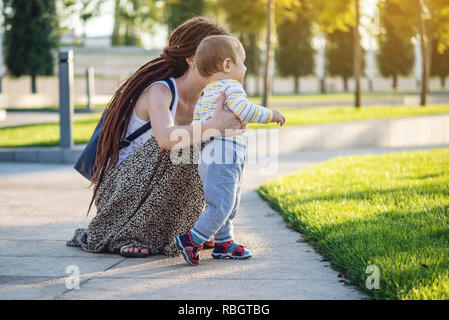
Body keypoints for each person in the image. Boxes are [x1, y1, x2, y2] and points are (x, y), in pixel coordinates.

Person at [67, 18, 246, 258]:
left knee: (220, 147)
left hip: (157, 191)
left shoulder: (210, 99)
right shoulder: (160, 90)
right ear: (192, 58)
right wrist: (214, 125)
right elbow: (164, 138)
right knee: (188, 143)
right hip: (121, 192)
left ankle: (202, 230)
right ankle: (132, 233)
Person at [174, 35, 286, 265]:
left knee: (229, 200)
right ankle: (191, 240)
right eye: (242, 61)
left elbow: (199, 126)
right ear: (228, 65)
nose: (244, 67)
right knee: (222, 203)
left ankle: (224, 242)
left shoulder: (206, 93)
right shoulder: (230, 87)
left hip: (212, 154)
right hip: (224, 154)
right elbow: (245, 111)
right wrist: (271, 114)